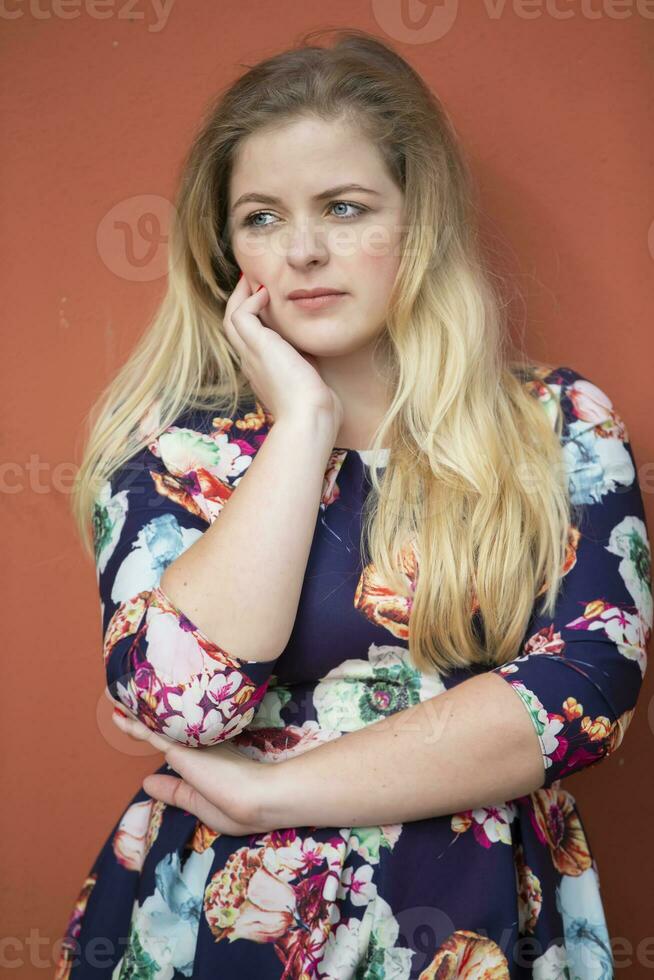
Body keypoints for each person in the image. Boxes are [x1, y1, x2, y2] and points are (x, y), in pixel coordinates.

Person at [56, 27, 651, 980]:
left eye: (344, 207)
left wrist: (274, 794)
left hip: (480, 917)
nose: (301, 250)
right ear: (224, 246)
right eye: (260, 217)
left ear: (421, 220)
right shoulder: (173, 455)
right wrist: (302, 423)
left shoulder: (557, 425)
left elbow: (584, 695)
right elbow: (183, 703)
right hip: (230, 921)